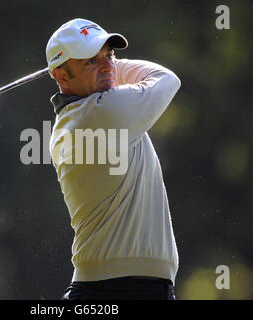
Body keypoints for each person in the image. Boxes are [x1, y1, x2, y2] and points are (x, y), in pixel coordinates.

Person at [46, 18, 181, 300]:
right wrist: (114, 67)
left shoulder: (70, 121)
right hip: (128, 289)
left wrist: (97, 65)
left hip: (106, 287)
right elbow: (167, 79)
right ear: (61, 78)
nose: (109, 66)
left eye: (110, 55)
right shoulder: (105, 111)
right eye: (91, 62)